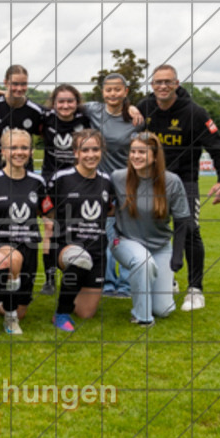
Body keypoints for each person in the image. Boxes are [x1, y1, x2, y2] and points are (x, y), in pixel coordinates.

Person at [135, 64, 220, 311]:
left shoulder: (195, 113)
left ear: (176, 84)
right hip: (151, 181)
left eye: (168, 82)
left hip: (185, 181)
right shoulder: (144, 108)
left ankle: (195, 290)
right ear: (152, 85)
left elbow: (218, 148)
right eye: (158, 82)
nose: (163, 86)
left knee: (189, 230)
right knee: (152, 230)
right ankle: (168, 280)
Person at [0, 129, 49, 338]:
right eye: (13, 147)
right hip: (1, 242)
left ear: (31, 152)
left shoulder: (37, 182)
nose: (19, 152)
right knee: (11, 260)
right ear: (3, 151)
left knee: (21, 309)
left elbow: (44, 212)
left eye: (24, 147)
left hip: (29, 246)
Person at [110, 133, 191, 326]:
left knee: (163, 310)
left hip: (160, 246)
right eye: (133, 151)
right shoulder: (118, 178)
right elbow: (104, 207)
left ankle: (155, 284)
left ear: (155, 156)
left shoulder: (172, 181)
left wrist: (177, 255)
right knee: (142, 261)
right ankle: (142, 317)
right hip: (126, 241)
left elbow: (182, 220)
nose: (136, 156)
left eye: (142, 152)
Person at [42, 129, 115, 332]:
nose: (90, 154)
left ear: (102, 151)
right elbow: (47, 212)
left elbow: (110, 210)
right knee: (79, 258)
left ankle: (75, 286)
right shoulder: (61, 178)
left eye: (95, 149)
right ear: (76, 153)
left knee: (85, 313)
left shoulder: (106, 181)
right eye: (85, 150)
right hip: (67, 247)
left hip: (97, 251)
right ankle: (61, 313)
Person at [83, 72, 144, 298]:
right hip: (103, 185)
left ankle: (126, 284)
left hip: (129, 184)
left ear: (125, 91)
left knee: (129, 235)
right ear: (102, 92)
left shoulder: (136, 120)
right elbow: (62, 104)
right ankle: (107, 283)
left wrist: (133, 108)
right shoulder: (93, 110)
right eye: (108, 89)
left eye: (117, 89)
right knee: (106, 235)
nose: (112, 93)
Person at [37, 84, 92, 296]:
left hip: (77, 180)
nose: (65, 105)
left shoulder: (85, 120)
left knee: (78, 227)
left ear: (77, 102)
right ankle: (49, 279)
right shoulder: (45, 118)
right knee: (50, 228)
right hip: (50, 181)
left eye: (70, 101)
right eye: (61, 101)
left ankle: (78, 274)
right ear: (54, 103)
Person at [0, 65, 45, 178]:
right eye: (15, 84)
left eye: (23, 84)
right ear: (5, 83)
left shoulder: (36, 111)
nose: (19, 88)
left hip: (23, 169)